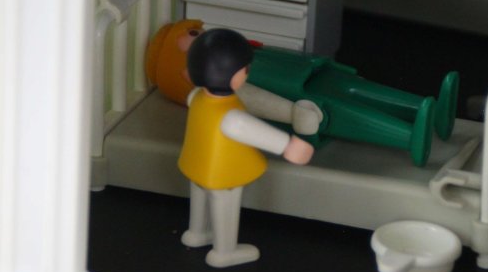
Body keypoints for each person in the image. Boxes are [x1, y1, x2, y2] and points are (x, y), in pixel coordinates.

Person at [147, 20, 459, 166]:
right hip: (302, 100)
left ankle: (426, 109)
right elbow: (259, 104)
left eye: (196, 33)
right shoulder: (228, 89)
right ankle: (409, 137)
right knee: (352, 114)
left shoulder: (235, 51)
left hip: (311, 74)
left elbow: (275, 55)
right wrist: (293, 115)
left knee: (364, 90)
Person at [178, 28, 314, 267]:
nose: (247, 72)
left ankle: (197, 233)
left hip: (196, 165)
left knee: (199, 198)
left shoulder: (196, 96)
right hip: (224, 174)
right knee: (225, 207)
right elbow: (250, 129)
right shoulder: (230, 116)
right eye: (245, 69)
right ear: (232, 76)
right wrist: (289, 146)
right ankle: (224, 252)